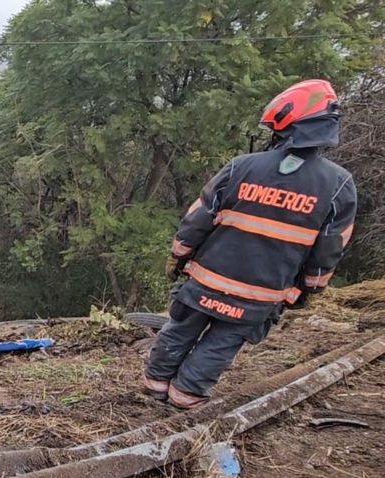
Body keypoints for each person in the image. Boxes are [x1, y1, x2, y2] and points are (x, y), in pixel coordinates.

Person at [143, 79, 357, 409]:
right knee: (222, 343)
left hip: (207, 281)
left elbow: (199, 217)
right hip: (261, 294)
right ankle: (185, 396)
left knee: (181, 328)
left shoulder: (243, 166)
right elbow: (329, 248)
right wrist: (310, 288)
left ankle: (155, 385)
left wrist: (179, 254)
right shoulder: (339, 184)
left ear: (284, 125)